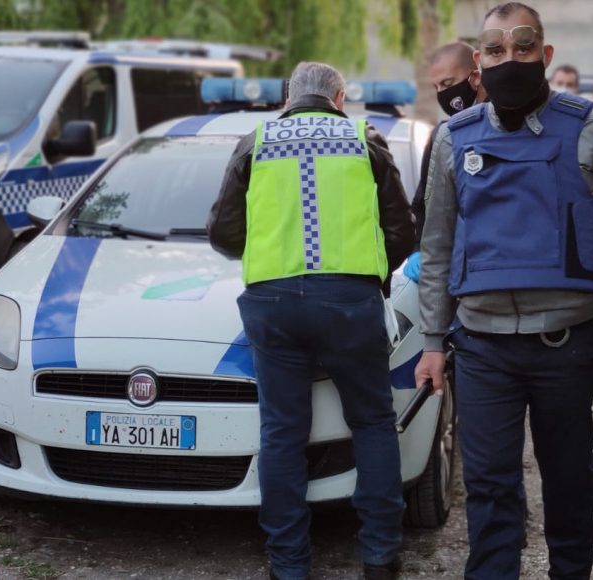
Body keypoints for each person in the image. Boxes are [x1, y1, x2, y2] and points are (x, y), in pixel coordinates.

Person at [413, 3, 593, 579]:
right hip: (482, 347)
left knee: (569, 484)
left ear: (545, 55)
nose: (510, 59)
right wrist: (431, 340)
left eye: (523, 47)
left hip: (565, 344)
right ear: (479, 64)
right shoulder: (453, 138)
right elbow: (437, 246)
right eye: (496, 50)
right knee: (489, 490)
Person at [208, 62, 415, 580]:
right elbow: (401, 231)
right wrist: (369, 276)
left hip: (273, 302)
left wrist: (271, 250)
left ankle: (288, 564)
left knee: (281, 432)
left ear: (288, 99)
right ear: (339, 98)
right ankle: (379, 557)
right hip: (349, 301)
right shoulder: (364, 138)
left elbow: (223, 233)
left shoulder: (256, 141)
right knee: (372, 421)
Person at [405, 41, 488, 281]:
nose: (443, 93)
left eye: (448, 84)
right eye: (437, 87)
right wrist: (416, 249)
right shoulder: (443, 135)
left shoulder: (501, 125)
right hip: (451, 268)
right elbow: (423, 201)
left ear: (475, 77)